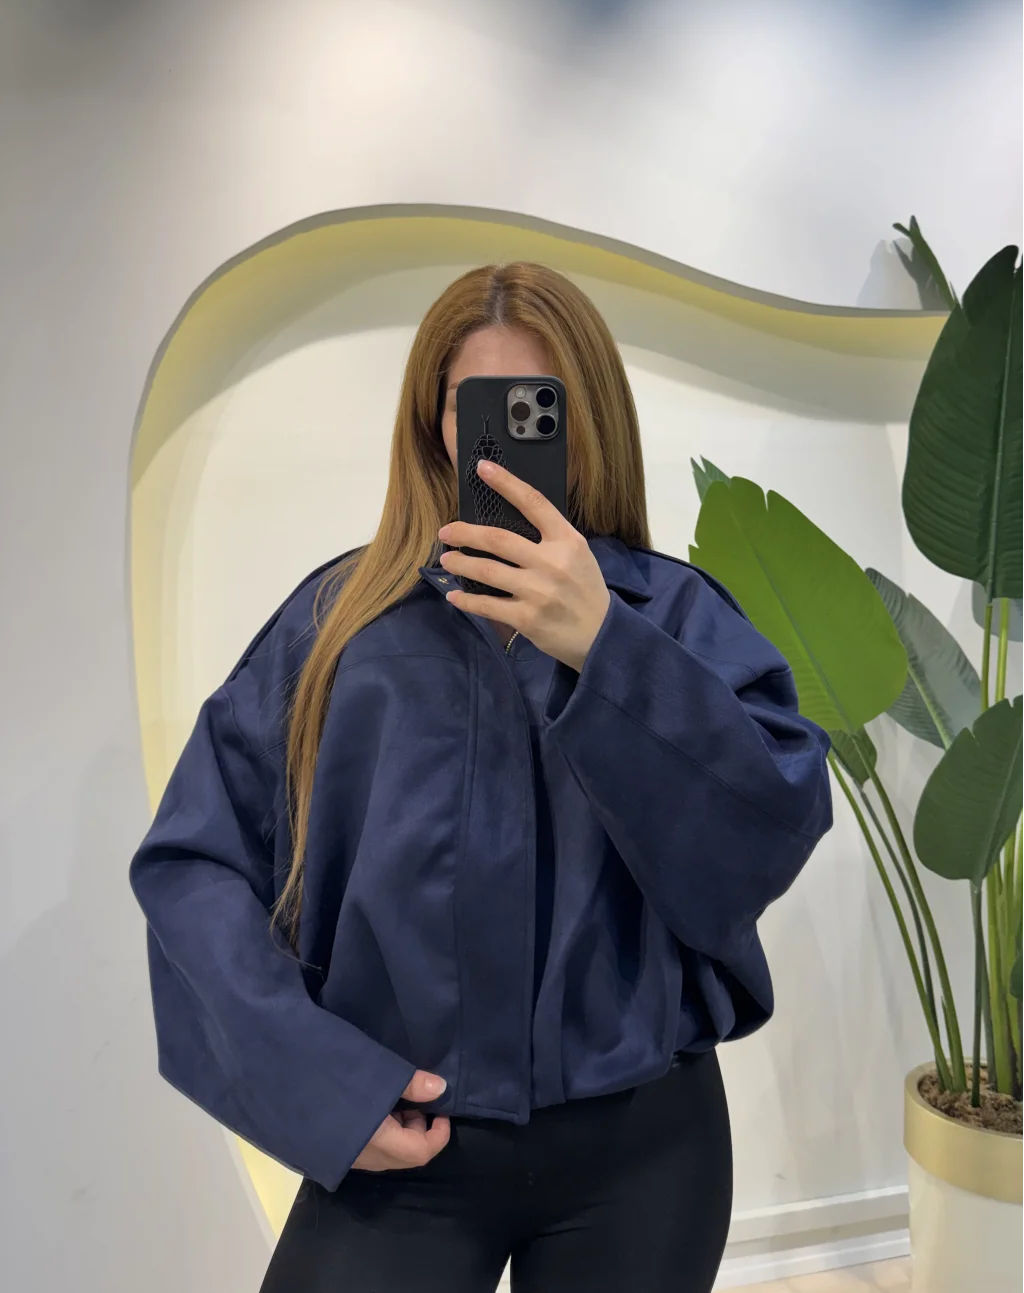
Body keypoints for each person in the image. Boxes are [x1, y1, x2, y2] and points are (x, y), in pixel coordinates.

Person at [129, 262, 833, 1293]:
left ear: (587, 421)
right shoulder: (339, 629)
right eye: (476, 405)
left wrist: (606, 649)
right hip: (403, 1144)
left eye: (538, 405)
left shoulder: (673, 619)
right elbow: (194, 866)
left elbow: (761, 837)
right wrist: (326, 1088)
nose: (504, 438)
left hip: (644, 1152)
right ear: (434, 423)